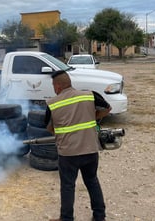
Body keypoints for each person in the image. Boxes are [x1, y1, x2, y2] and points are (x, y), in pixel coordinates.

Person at [45, 70, 111, 221]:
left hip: (68, 153)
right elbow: (107, 109)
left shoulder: (52, 104)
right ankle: (99, 216)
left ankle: (66, 218)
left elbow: (49, 127)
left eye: (54, 85)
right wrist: (93, 118)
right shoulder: (89, 95)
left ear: (58, 86)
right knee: (92, 181)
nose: (54, 89)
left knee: (68, 186)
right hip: (90, 149)